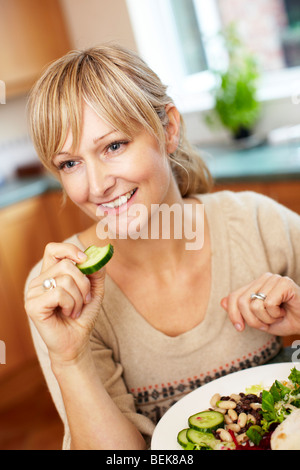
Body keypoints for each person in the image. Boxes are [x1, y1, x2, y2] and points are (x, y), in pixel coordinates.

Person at [24, 44, 300, 450]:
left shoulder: (260, 224)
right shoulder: (61, 291)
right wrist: (70, 360)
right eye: (70, 163)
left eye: (113, 146)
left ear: (168, 129)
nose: (96, 186)